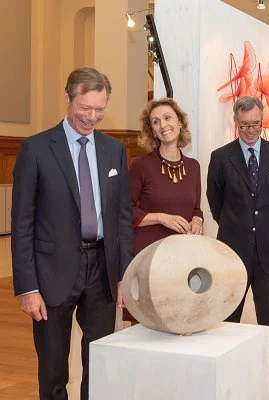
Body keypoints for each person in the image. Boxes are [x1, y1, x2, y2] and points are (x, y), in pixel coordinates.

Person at [11, 67, 134, 400]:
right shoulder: (35, 150)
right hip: (52, 273)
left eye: (99, 109)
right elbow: (22, 223)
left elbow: (123, 217)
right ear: (67, 99)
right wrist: (28, 287)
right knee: (53, 369)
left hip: (103, 272)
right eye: (85, 108)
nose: (92, 117)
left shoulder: (115, 151)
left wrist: (124, 275)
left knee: (99, 362)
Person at [206, 96, 269, 326]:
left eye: (256, 124)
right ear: (236, 122)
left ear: (262, 121)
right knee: (228, 319)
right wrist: (236, 223)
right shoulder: (221, 158)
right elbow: (215, 201)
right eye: (245, 125)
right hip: (233, 251)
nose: (251, 130)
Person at [129, 98, 204, 256]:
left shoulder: (193, 166)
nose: (163, 125)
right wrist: (162, 218)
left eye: (167, 118)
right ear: (153, 132)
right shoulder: (140, 165)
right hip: (150, 255)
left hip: (184, 253)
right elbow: (125, 211)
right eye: (156, 122)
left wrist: (198, 220)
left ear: (180, 122)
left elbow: (196, 209)